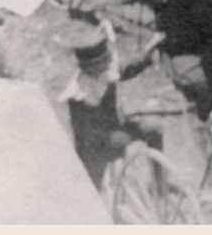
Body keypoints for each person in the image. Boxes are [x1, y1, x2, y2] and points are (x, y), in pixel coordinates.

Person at [57, 18, 163, 188]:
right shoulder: (79, 95)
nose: (106, 69)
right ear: (88, 68)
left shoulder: (106, 71)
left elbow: (127, 68)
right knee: (92, 189)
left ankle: (160, 183)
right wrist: (119, 132)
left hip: (115, 128)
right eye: (100, 66)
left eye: (105, 63)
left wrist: (151, 50)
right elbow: (87, 138)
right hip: (95, 147)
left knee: (154, 126)